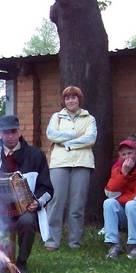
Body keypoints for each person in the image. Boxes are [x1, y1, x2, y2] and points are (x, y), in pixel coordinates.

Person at [0, 115, 53, 273]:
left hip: (24, 209)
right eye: (6, 132)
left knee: (27, 221)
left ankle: (21, 262)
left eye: (13, 132)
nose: (10, 136)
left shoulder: (35, 155)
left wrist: (37, 202)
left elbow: (47, 188)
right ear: (0, 134)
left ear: (19, 132)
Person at [44, 85, 97, 250]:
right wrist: (75, 136)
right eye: (67, 98)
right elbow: (51, 134)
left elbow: (91, 138)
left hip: (82, 162)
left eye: (74, 97)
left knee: (77, 204)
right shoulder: (56, 117)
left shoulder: (89, 118)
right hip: (59, 163)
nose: (71, 100)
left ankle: (75, 241)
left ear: (79, 99)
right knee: (56, 201)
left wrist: (67, 143)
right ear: (63, 100)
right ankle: (52, 240)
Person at [102, 138, 136, 260]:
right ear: (120, 157)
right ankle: (113, 245)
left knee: (132, 205)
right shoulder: (117, 170)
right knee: (109, 203)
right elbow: (109, 193)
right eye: (123, 154)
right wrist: (123, 174)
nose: (127, 157)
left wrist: (121, 197)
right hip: (127, 214)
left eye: (129, 153)